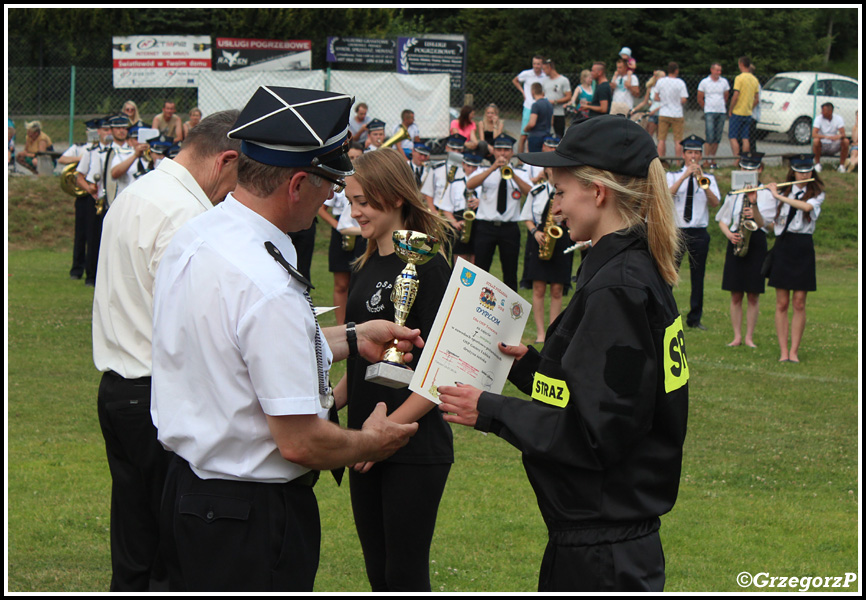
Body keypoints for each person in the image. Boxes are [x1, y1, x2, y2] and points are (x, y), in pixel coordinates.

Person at [151, 87, 421, 592]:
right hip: (248, 518)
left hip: (187, 491)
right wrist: (373, 442)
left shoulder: (200, 235)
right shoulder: (266, 283)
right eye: (329, 184)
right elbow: (299, 442)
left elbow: (230, 350)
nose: (333, 198)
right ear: (298, 184)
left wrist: (352, 335)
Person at [437, 114, 688, 592]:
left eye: (560, 190)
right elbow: (595, 393)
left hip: (604, 551)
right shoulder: (624, 268)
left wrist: (489, 409)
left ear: (598, 192)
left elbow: (600, 433)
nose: (556, 207)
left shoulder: (619, 284)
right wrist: (527, 366)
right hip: (600, 540)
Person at [91, 110, 242, 591]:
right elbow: (192, 320)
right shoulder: (186, 214)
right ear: (226, 160)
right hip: (156, 394)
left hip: (119, 388)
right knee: (171, 551)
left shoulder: (138, 192)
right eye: (243, 177)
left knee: (134, 545)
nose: (237, 194)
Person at [336, 148, 453, 592]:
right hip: (364, 443)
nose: (355, 211)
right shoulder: (365, 266)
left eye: (364, 200)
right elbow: (365, 360)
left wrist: (385, 432)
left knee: (404, 576)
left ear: (396, 196)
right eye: (351, 200)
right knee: (378, 573)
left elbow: (442, 369)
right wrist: (331, 400)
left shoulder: (428, 265)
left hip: (411, 445)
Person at [766, 154, 825, 363]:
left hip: (803, 246)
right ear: (793, 171)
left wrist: (778, 196)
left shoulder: (816, 193)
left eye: (808, 170)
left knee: (799, 302)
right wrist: (757, 204)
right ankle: (784, 351)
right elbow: (770, 224)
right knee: (782, 303)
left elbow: (807, 208)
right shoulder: (783, 190)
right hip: (784, 245)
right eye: (800, 170)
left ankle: (794, 352)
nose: (804, 174)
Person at [715, 152, 774, 348]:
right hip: (737, 238)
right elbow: (722, 220)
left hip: (756, 240)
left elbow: (763, 224)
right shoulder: (733, 193)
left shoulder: (765, 194)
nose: (748, 171)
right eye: (744, 168)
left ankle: (749, 336)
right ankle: (737, 336)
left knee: (753, 293)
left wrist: (754, 204)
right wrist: (729, 235)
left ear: (760, 169)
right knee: (736, 293)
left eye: (752, 168)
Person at [519, 148, 574, 344]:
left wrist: (563, 218)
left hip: (560, 238)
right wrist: (536, 232)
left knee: (558, 288)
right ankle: (541, 333)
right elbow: (526, 217)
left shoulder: (569, 192)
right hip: (540, 239)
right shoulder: (537, 191)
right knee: (539, 287)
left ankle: (553, 330)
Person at [466, 133, 532, 292]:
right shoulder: (484, 170)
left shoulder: (520, 173)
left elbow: (529, 192)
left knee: (510, 272)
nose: (502, 153)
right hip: (485, 227)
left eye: (506, 150)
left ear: (511, 152)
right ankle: (475, 305)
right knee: (481, 269)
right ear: (493, 151)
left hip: (509, 228)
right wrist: (493, 168)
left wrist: (512, 173)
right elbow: (470, 184)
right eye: (499, 149)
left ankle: (509, 313)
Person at [667, 135, 720, 330]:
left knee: (699, 276)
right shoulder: (672, 176)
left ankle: (695, 318)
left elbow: (715, 203)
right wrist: (684, 177)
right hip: (677, 231)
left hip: (699, 232)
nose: (693, 157)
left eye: (697, 153)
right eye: (690, 153)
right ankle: (666, 314)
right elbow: (666, 196)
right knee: (670, 274)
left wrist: (701, 181)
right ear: (683, 155)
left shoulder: (709, 179)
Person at [318, 143, 368, 325]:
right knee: (341, 284)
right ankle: (341, 326)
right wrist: (336, 225)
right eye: (351, 158)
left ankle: (359, 324)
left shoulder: (368, 183)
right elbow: (322, 209)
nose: (354, 162)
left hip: (364, 235)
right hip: (342, 234)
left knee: (360, 283)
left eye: (358, 158)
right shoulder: (339, 181)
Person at [74, 117, 114, 286]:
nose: (108, 133)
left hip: (112, 198)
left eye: (110, 130)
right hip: (95, 199)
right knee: (93, 236)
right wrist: (88, 188)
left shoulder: (117, 152)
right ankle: (91, 275)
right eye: (105, 130)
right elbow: (79, 175)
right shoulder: (91, 152)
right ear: (98, 132)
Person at [440, 153, 483, 264]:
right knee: (459, 259)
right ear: (463, 165)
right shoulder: (455, 184)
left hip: (478, 222)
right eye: (469, 166)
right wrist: (454, 223)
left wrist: (481, 202)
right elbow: (446, 207)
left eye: (474, 167)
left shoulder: (483, 184)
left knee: (476, 259)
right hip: (460, 223)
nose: (471, 169)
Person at [421, 134, 466, 213]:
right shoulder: (436, 168)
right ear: (447, 148)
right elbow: (428, 193)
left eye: (459, 150)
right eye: (453, 149)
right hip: (438, 210)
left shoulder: (465, 170)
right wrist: (434, 212)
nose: (456, 153)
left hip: (457, 213)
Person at [697, 63, 730, 169]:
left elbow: (726, 95)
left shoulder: (724, 82)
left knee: (717, 137)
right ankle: (706, 159)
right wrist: (706, 107)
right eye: (717, 70)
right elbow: (700, 97)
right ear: (712, 70)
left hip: (721, 111)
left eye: (720, 71)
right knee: (709, 136)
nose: (718, 73)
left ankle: (712, 158)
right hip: (709, 111)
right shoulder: (704, 82)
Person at [654, 62, 689, 161]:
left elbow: (656, 97)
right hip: (677, 113)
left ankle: (661, 161)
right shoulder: (680, 83)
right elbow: (684, 99)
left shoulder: (661, 82)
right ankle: (678, 162)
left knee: (661, 139)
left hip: (664, 112)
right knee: (678, 139)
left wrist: (664, 99)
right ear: (676, 70)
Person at [512, 55, 548, 153]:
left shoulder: (545, 76)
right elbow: (515, 80)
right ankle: (520, 160)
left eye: (538, 64)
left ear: (542, 65)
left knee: (534, 135)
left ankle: (530, 159)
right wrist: (523, 92)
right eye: (534, 64)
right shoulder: (527, 74)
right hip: (529, 106)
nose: (536, 66)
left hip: (540, 106)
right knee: (524, 135)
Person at [109, 117, 151, 198]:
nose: (140, 142)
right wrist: (135, 155)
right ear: (130, 141)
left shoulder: (153, 156)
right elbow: (114, 174)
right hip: (126, 200)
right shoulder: (121, 154)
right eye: (136, 139)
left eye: (143, 139)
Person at [728, 56, 760, 157]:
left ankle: (736, 158)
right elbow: (757, 99)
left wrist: (731, 108)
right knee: (745, 137)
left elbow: (736, 95)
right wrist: (750, 107)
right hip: (748, 112)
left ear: (741, 64)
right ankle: (744, 158)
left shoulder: (739, 78)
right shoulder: (755, 79)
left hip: (738, 111)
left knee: (733, 136)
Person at [811, 102, 850, 173]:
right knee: (816, 141)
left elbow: (843, 134)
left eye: (824, 111)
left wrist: (838, 136)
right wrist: (826, 137)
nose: (821, 112)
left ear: (830, 111)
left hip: (833, 144)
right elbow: (814, 134)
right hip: (822, 144)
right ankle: (817, 165)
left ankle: (841, 166)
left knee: (846, 141)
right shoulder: (818, 118)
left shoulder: (838, 118)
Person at [541, 58, 571, 137]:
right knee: (545, 135)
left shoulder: (563, 80)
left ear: (550, 68)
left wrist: (555, 102)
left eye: (544, 69)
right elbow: (542, 94)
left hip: (558, 113)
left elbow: (568, 96)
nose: (543, 72)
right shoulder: (545, 81)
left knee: (559, 136)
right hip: (547, 113)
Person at [630, 70, 665, 138]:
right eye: (662, 77)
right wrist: (634, 109)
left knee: (660, 137)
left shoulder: (665, 89)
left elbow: (665, 103)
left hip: (661, 113)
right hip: (652, 114)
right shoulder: (651, 88)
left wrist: (654, 111)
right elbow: (644, 102)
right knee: (649, 134)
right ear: (656, 78)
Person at [524, 82, 554, 152]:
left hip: (536, 136)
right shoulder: (549, 104)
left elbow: (532, 123)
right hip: (546, 136)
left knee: (534, 159)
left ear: (533, 92)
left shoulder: (536, 105)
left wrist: (526, 129)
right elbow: (552, 122)